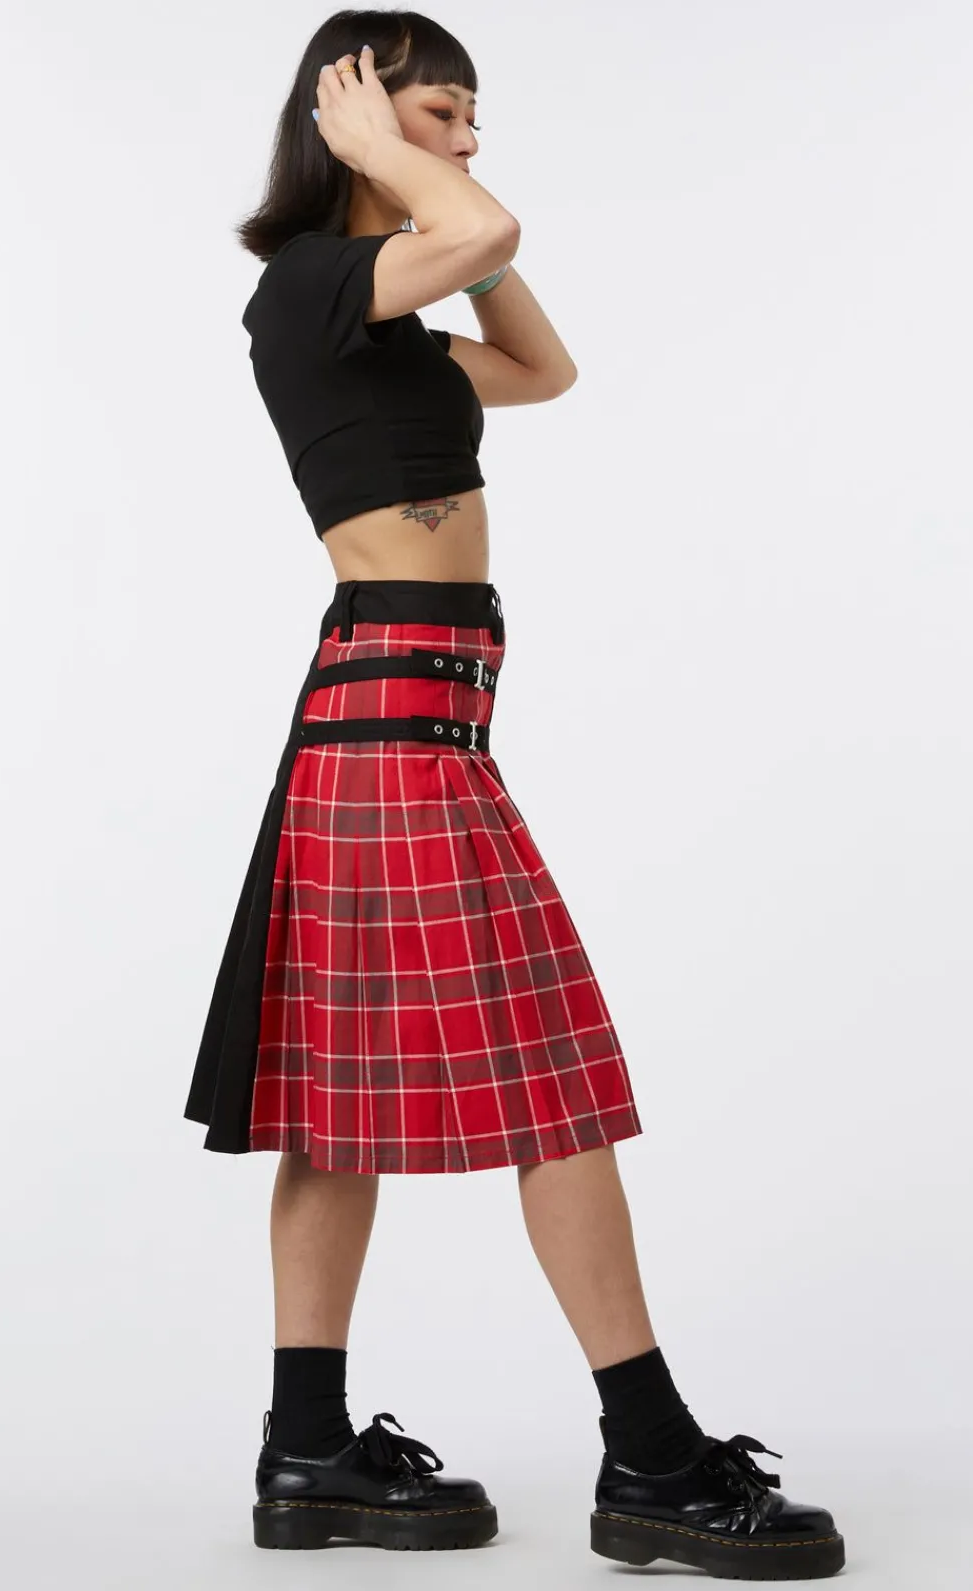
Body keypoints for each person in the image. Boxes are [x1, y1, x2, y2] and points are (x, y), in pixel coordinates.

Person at [184, 10, 844, 1577]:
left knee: (337, 1096)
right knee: (555, 1070)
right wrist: (392, 164)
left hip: (413, 728)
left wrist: (434, 197)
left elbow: (544, 367)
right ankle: (655, 1457)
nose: (469, 143)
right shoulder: (308, 284)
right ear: (349, 114)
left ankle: (306, 1448)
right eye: (441, 112)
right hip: (393, 728)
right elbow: (484, 227)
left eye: (474, 118)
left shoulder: (396, 319)